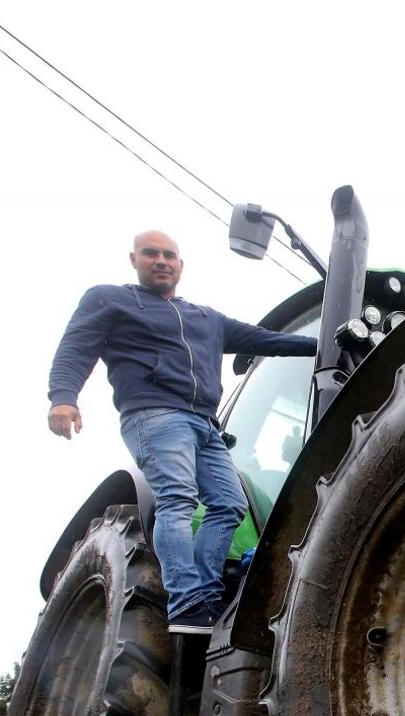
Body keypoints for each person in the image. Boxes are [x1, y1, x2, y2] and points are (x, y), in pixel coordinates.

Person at [47, 230, 317, 633]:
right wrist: (63, 396)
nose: (161, 261)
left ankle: (206, 595)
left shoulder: (205, 318)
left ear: (180, 265)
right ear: (133, 259)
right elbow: (76, 345)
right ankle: (187, 601)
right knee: (177, 498)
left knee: (228, 503)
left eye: (169, 255)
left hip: (205, 423)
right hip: (155, 413)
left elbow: (265, 340)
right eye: (151, 254)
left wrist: (322, 344)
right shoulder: (111, 299)